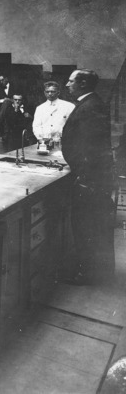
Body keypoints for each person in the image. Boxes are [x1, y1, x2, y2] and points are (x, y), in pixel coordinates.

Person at [61, 69, 115, 285]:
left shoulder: (89, 107)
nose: (67, 84)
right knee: (93, 227)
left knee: (88, 228)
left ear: (82, 84)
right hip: (92, 178)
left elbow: (90, 148)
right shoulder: (92, 103)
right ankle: (95, 272)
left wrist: (82, 175)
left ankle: (90, 275)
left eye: (71, 81)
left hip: (89, 180)